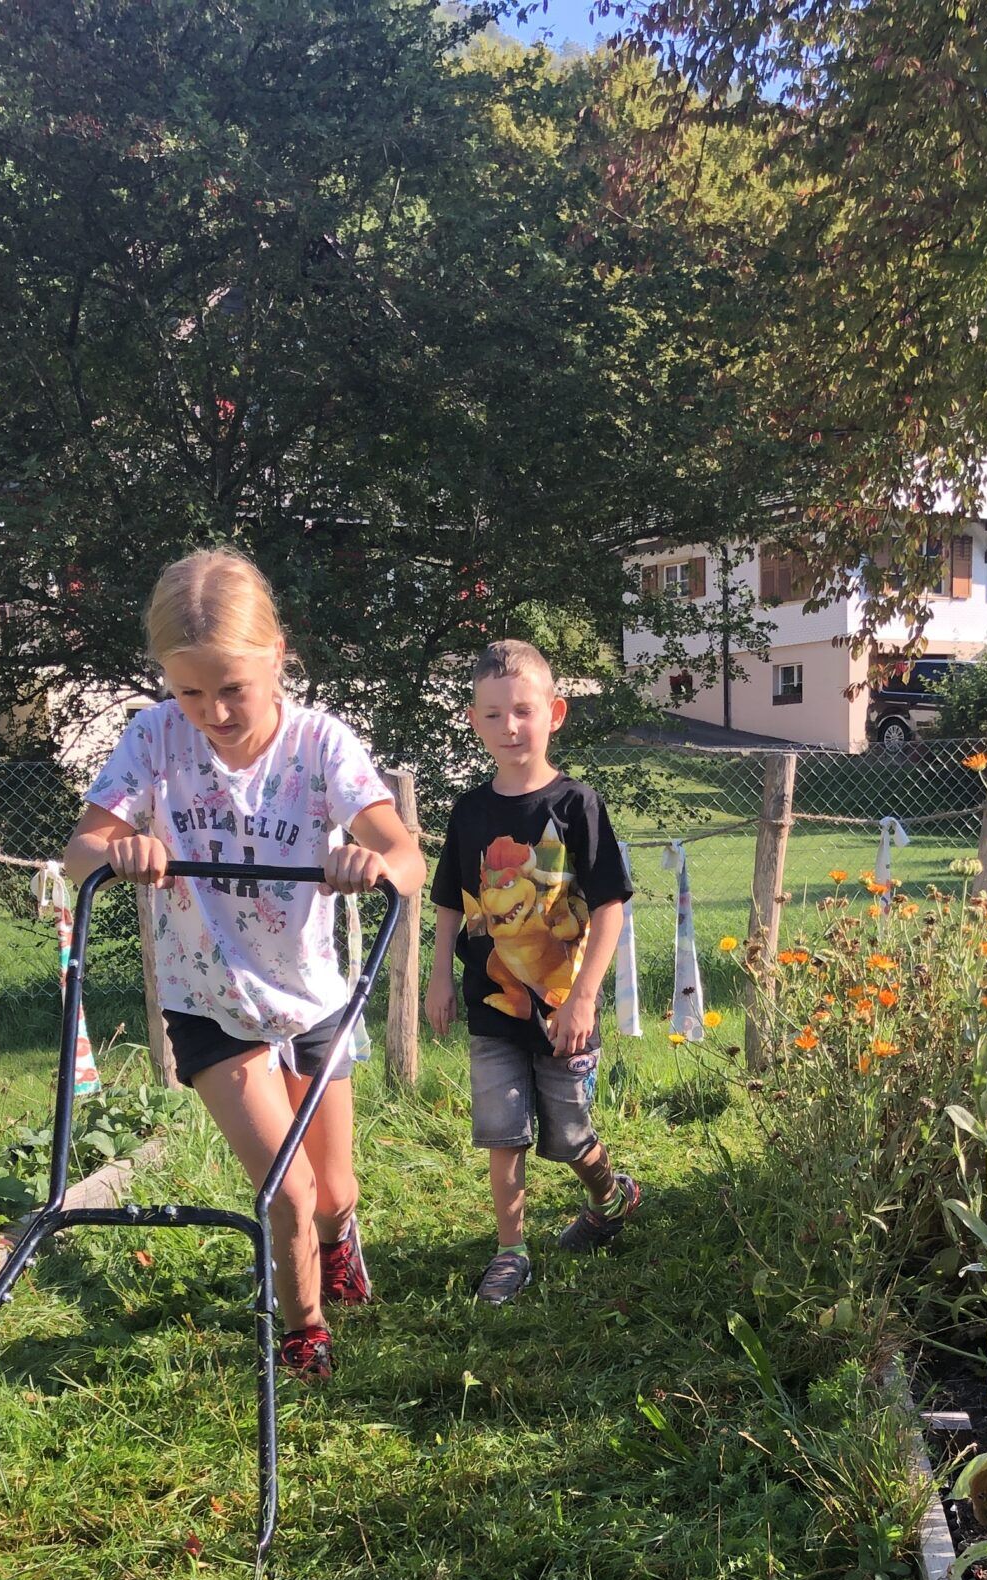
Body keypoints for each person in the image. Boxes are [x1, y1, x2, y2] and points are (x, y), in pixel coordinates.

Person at [64, 548, 424, 1381]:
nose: (213, 711)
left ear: (276, 659)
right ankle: (303, 1335)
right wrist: (121, 852)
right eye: (190, 691)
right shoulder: (153, 739)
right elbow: (81, 850)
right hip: (208, 997)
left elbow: (407, 856)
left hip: (311, 996)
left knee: (332, 1196)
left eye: (233, 688)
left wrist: (368, 864)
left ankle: (340, 1247)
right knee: (287, 1191)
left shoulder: (320, 745)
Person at [427, 638, 639, 1304]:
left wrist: (583, 999)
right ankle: (511, 1251)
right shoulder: (468, 813)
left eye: (522, 710)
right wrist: (437, 978)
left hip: (563, 1007)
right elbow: (444, 904)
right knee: (503, 1129)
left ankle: (612, 1196)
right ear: (472, 720)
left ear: (555, 713)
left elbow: (609, 909)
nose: (509, 727)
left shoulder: (577, 806)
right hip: (492, 1003)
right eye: (492, 715)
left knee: (569, 1132)